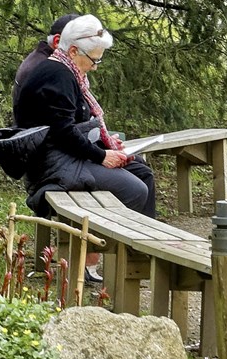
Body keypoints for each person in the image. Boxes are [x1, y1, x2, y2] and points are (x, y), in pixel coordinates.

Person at [11, 12, 157, 223]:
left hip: (66, 156)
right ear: (72, 51)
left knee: (142, 173)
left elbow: (70, 123)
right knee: (135, 190)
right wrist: (101, 156)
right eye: (94, 60)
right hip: (53, 166)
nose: (95, 67)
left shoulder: (64, 70)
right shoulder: (56, 76)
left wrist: (104, 144)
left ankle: (141, 250)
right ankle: (95, 248)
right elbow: (63, 132)